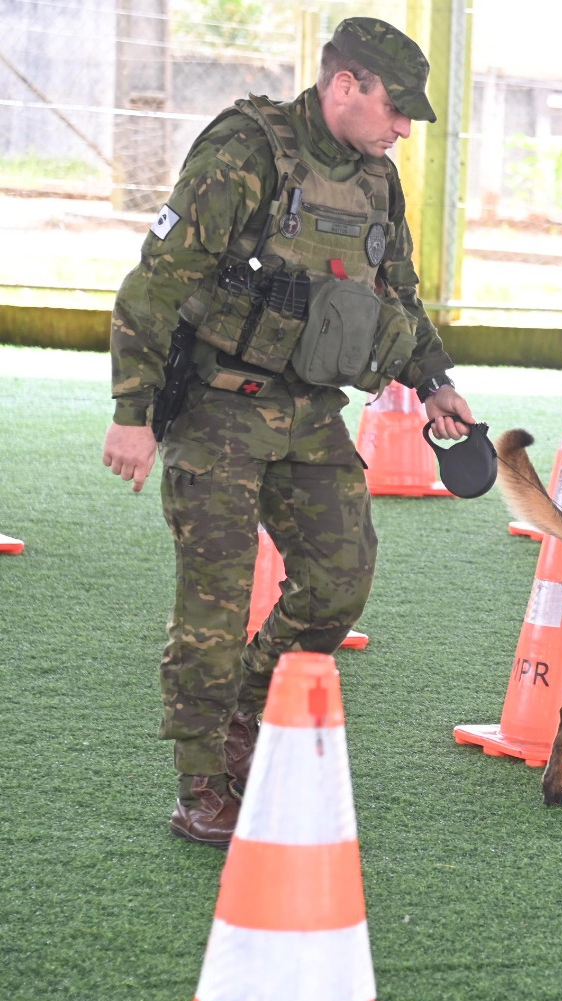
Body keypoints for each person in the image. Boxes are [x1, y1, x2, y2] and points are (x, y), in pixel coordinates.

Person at [101, 17, 477, 846]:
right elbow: (158, 283)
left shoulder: (377, 180)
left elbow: (398, 294)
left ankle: (245, 711)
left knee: (341, 580)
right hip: (215, 409)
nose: (404, 129)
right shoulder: (246, 151)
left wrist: (434, 381)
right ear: (345, 86)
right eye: (396, 109)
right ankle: (201, 783)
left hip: (310, 411)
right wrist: (131, 413)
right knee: (215, 601)